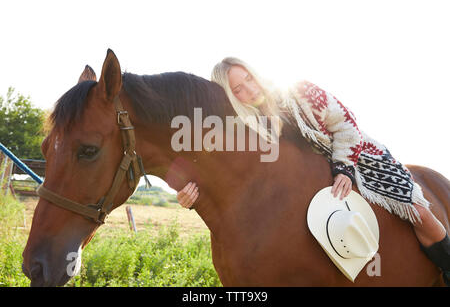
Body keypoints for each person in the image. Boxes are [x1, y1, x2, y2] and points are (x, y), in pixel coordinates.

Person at [176, 57, 449, 285]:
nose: (249, 89)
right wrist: (196, 192)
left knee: (418, 211)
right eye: (237, 89)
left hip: (360, 156)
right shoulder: (246, 126)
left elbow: (346, 124)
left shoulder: (300, 92)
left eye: (248, 78)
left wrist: (344, 169)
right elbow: (226, 168)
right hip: (316, 175)